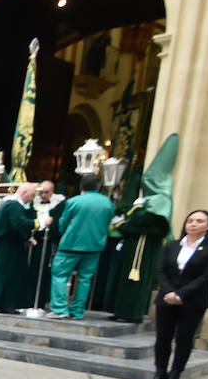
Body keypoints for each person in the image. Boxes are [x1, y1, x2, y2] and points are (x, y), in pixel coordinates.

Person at [145, 209, 208, 379]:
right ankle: (160, 372)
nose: (193, 224)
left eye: (199, 221)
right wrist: (170, 292)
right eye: (190, 220)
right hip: (166, 298)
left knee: (184, 338)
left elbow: (207, 275)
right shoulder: (172, 245)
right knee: (163, 336)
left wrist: (181, 295)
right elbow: (161, 270)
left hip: (193, 300)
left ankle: (175, 375)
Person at [109, 134, 178, 323]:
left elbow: (142, 221)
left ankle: (132, 313)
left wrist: (134, 218)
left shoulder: (161, 200)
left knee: (137, 279)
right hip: (133, 244)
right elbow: (130, 221)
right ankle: (121, 310)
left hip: (144, 247)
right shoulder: (145, 201)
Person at [44, 174, 111, 319]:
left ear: (81, 186)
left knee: (60, 275)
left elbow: (63, 223)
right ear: (99, 186)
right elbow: (107, 223)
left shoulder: (74, 201)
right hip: (94, 246)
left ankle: (60, 308)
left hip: (71, 244)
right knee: (85, 279)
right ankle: (77, 310)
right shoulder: (107, 202)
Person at [0, 182, 41, 313]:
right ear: (24, 192)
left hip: (0, 245)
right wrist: (39, 222)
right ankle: (5, 304)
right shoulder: (14, 205)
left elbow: (11, 226)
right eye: (32, 195)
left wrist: (26, 238)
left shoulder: (6, 204)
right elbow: (18, 223)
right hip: (8, 247)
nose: (32, 199)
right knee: (7, 274)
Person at [26, 178, 65, 309]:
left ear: (52, 192)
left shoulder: (59, 204)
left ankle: (40, 301)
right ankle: (27, 299)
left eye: (46, 192)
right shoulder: (33, 203)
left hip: (48, 244)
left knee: (44, 272)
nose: (43, 195)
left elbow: (58, 224)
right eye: (41, 192)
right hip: (33, 243)